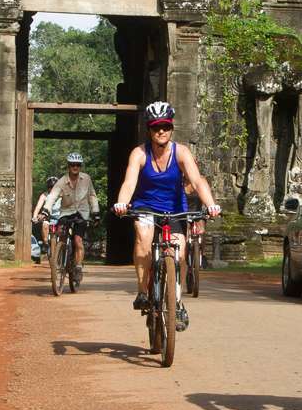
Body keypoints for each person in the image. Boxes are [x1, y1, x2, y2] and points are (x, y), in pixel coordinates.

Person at [113, 101, 221, 331]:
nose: (160, 131)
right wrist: (122, 202)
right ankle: (143, 291)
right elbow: (130, 181)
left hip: (175, 210)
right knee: (143, 240)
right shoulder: (140, 153)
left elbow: (197, 180)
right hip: (146, 208)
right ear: (149, 130)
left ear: (171, 127)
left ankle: (178, 302)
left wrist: (210, 205)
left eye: (165, 126)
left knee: (180, 254)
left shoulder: (181, 152)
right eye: (155, 127)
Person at [42, 153, 100, 284]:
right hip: (66, 212)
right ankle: (60, 254)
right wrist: (46, 209)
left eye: (78, 165)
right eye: (72, 165)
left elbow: (92, 196)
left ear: (80, 166)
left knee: (78, 241)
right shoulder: (61, 181)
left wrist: (96, 212)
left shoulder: (86, 179)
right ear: (68, 166)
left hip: (82, 213)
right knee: (60, 232)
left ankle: (78, 267)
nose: (75, 167)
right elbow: (52, 196)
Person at [31, 175, 61, 258]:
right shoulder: (44, 195)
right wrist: (34, 217)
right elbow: (38, 207)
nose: (52, 189)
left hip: (61, 217)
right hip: (49, 217)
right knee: (44, 224)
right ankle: (46, 244)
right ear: (48, 188)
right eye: (50, 187)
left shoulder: (62, 195)